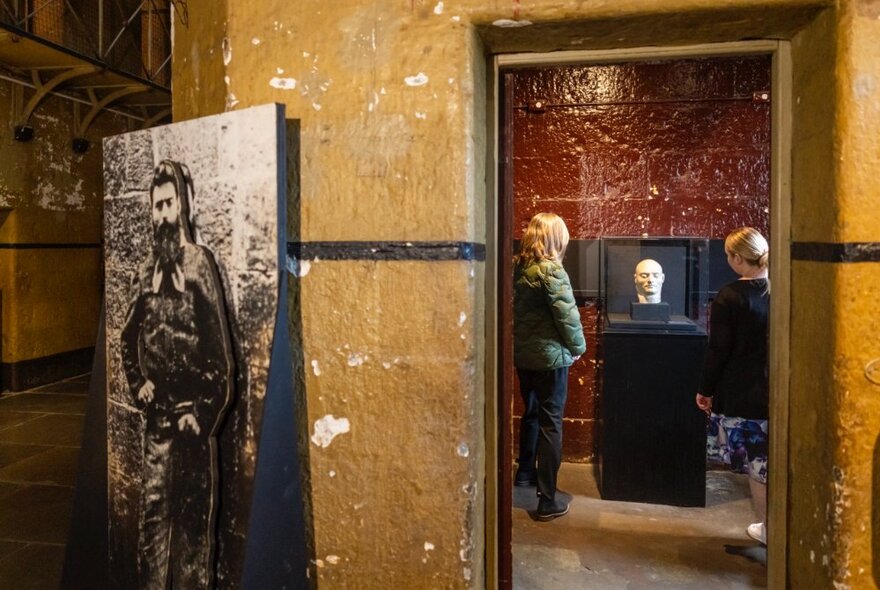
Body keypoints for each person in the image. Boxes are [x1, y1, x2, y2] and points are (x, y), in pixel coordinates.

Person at [121, 160, 234, 589]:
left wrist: (203, 414)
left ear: (183, 207)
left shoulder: (200, 264)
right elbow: (127, 337)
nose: (162, 214)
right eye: (157, 206)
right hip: (158, 427)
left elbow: (219, 358)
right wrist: (138, 382)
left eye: (169, 204)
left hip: (191, 424)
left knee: (192, 531)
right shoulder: (144, 270)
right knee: (152, 527)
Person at [695, 227, 770, 545]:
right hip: (776, 389)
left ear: (738, 258)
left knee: (758, 468)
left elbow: (718, 349)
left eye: (728, 255)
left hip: (743, 393)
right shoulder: (780, 289)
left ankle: (769, 529)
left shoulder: (730, 296)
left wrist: (705, 389)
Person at [513, 212, 586, 521]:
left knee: (530, 413)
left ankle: (525, 473)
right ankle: (547, 500)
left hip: (524, 356)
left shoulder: (519, 267)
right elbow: (567, 317)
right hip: (550, 359)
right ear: (557, 238)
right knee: (551, 422)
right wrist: (579, 348)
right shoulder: (552, 271)